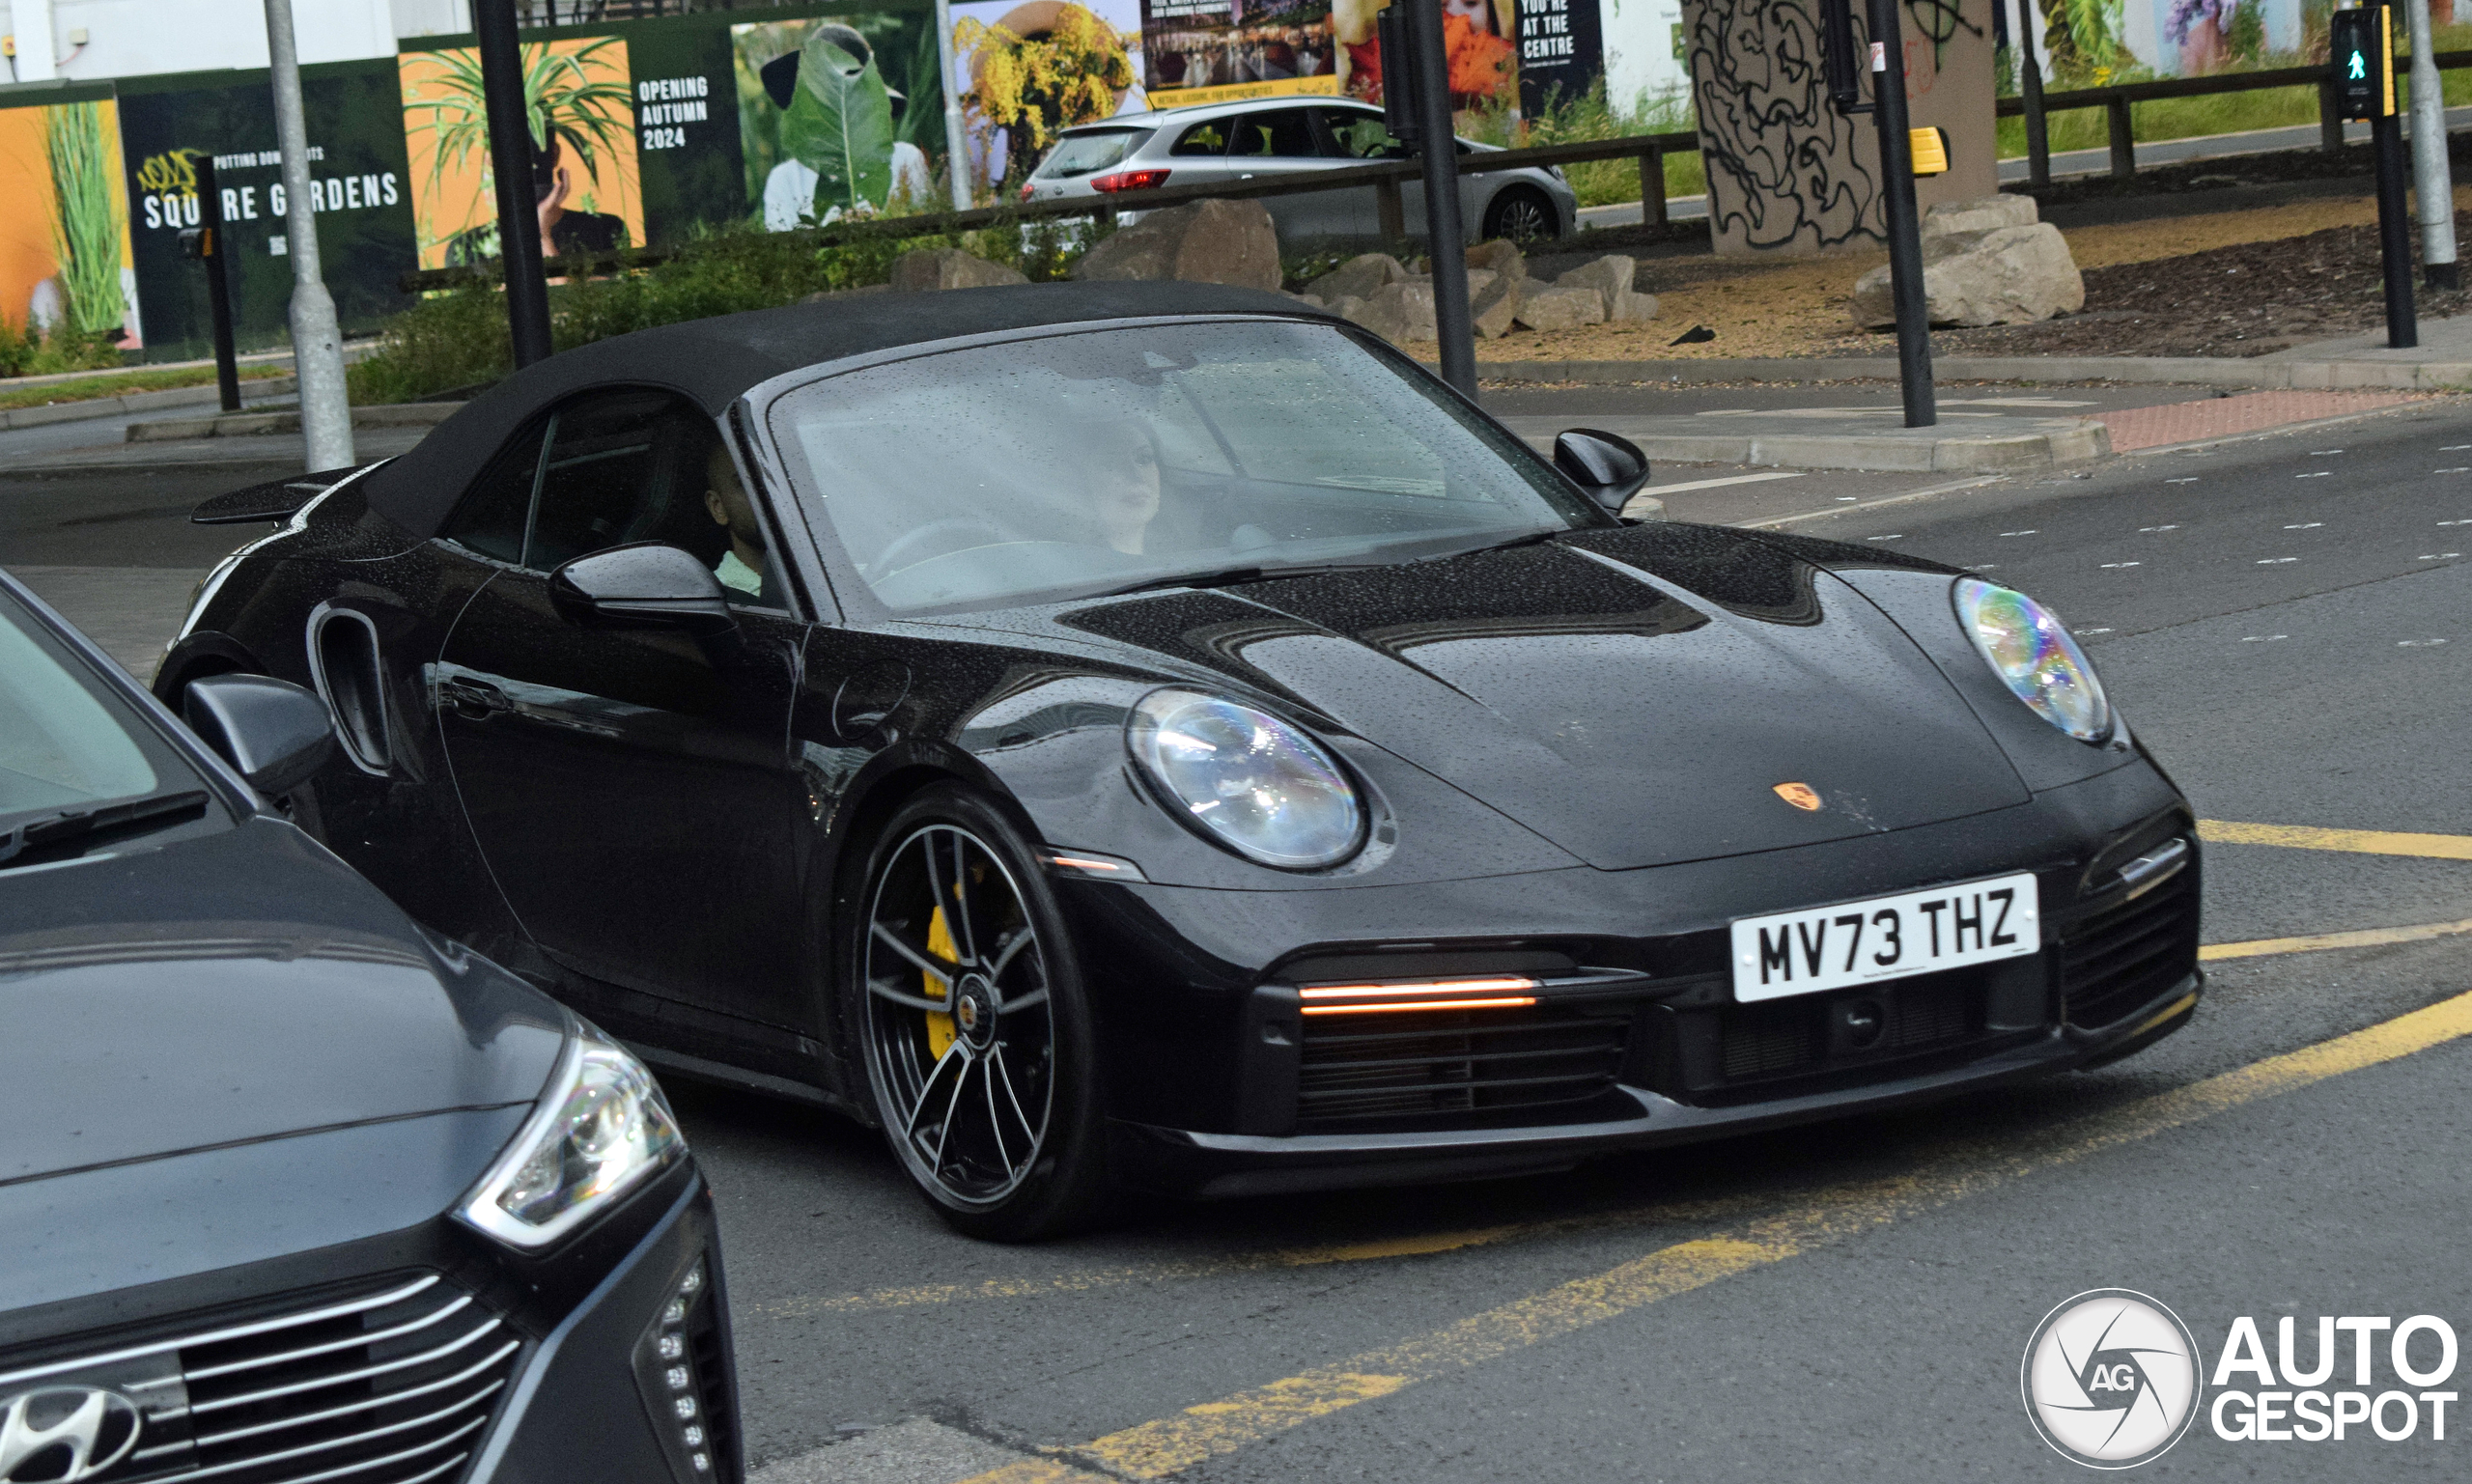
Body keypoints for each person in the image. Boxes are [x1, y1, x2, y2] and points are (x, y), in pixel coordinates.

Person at [704, 445, 782, 604]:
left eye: (781, 479)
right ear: (718, 507)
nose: (770, 493)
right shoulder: (718, 602)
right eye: (746, 483)